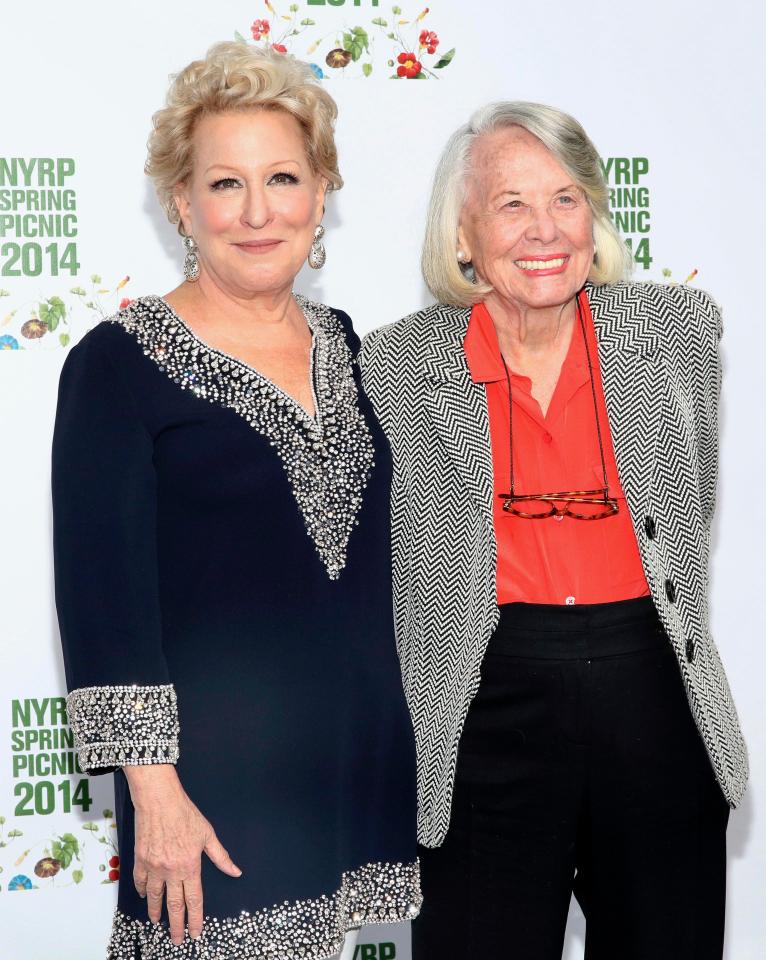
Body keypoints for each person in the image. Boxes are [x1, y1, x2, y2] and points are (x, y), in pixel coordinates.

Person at [52, 41, 419, 960]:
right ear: (182, 203)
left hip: (336, 778)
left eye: (283, 178)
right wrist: (156, 796)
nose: (257, 213)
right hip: (206, 794)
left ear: (321, 194)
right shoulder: (115, 365)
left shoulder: (349, 348)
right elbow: (103, 605)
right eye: (224, 184)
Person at [359, 101, 747, 960]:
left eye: (565, 199)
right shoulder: (392, 366)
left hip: (652, 696)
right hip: (479, 705)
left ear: (595, 216)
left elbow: (691, 507)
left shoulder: (678, 335)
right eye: (511, 204)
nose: (544, 229)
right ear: (463, 233)